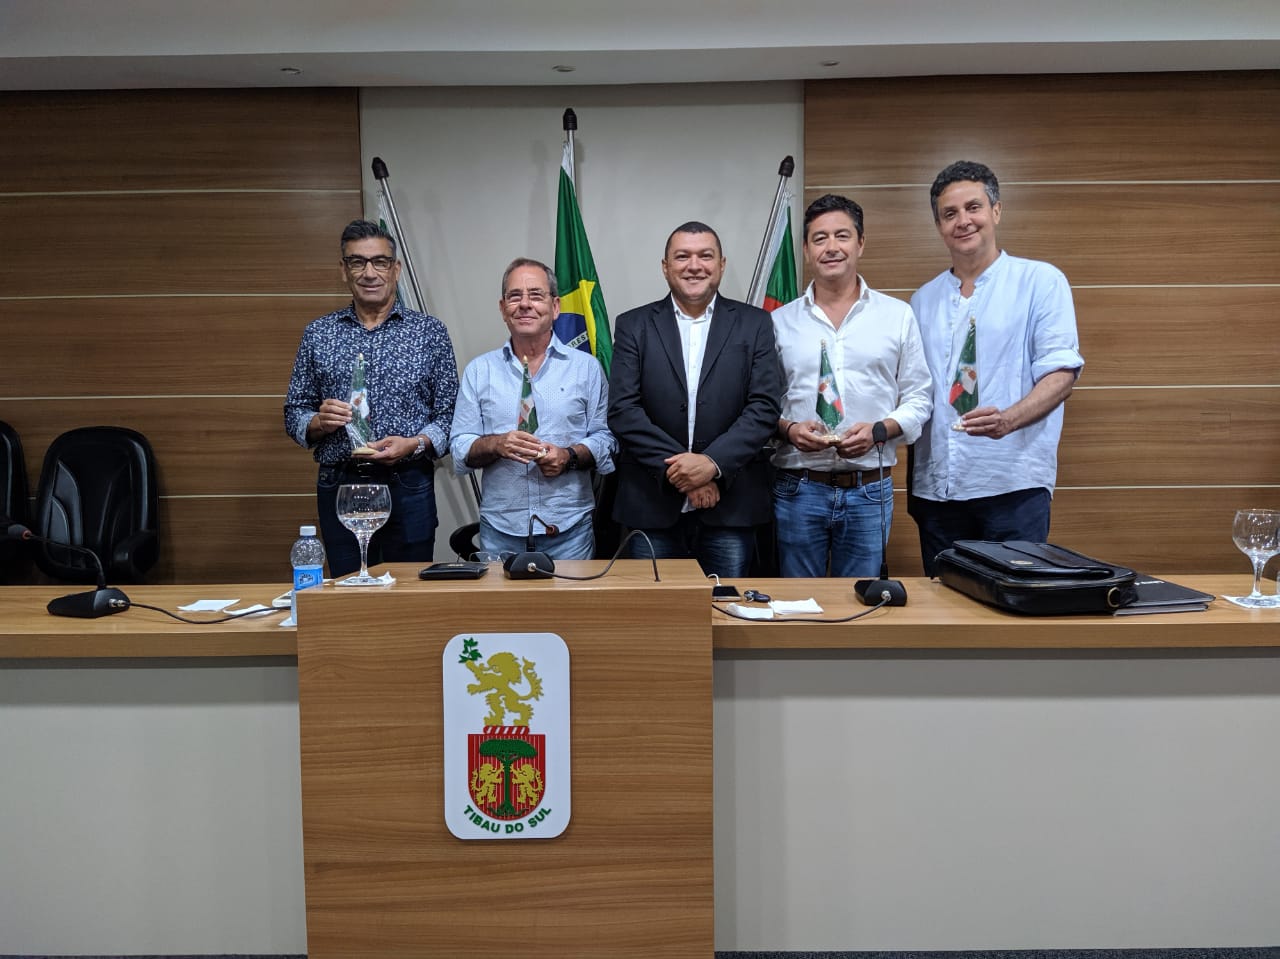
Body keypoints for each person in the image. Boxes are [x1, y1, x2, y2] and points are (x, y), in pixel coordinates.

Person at [908, 161, 1084, 575]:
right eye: (950, 214)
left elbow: (1061, 375)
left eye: (974, 207)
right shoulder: (922, 300)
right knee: (944, 601)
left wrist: (1008, 419)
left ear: (996, 211)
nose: (963, 221)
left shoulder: (1040, 281)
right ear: (939, 226)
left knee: (1013, 600)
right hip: (936, 490)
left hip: (1012, 484)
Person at [284, 219, 458, 576]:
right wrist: (317, 422)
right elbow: (294, 412)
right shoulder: (318, 334)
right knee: (349, 589)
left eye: (380, 261)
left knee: (407, 589)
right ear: (343, 270)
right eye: (357, 262)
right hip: (341, 482)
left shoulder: (430, 333)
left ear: (396, 269)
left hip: (408, 484)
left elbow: (450, 415)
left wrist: (415, 443)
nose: (369, 273)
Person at [608, 221, 782, 578]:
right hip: (652, 503)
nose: (694, 266)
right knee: (656, 606)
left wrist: (713, 465)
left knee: (724, 604)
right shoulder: (633, 325)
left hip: (731, 505)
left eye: (705, 256)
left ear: (721, 264)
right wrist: (686, 473)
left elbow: (764, 407)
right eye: (682, 256)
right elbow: (623, 410)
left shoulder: (755, 324)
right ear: (665, 266)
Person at [771, 194, 931, 578]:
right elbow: (761, 403)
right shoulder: (779, 322)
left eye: (841, 236)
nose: (831, 247)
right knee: (796, 601)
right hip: (798, 488)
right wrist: (789, 430)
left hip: (869, 490)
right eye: (819, 238)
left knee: (860, 602)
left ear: (860, 243)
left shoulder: (897, 316)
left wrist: (880, 430)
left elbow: (919, 396)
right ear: (806, 249)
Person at [450, 257, 615, 560]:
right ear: (503, 309)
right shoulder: (479, 371)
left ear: (555, 306)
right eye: (515, 296)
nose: (525, 304)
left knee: (573, 597)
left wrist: (568, 456)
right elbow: (460, 447)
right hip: (500, 531)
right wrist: (497, 444)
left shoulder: (587, 369)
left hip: (569, 530)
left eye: (536, 295)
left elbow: (606, 440)